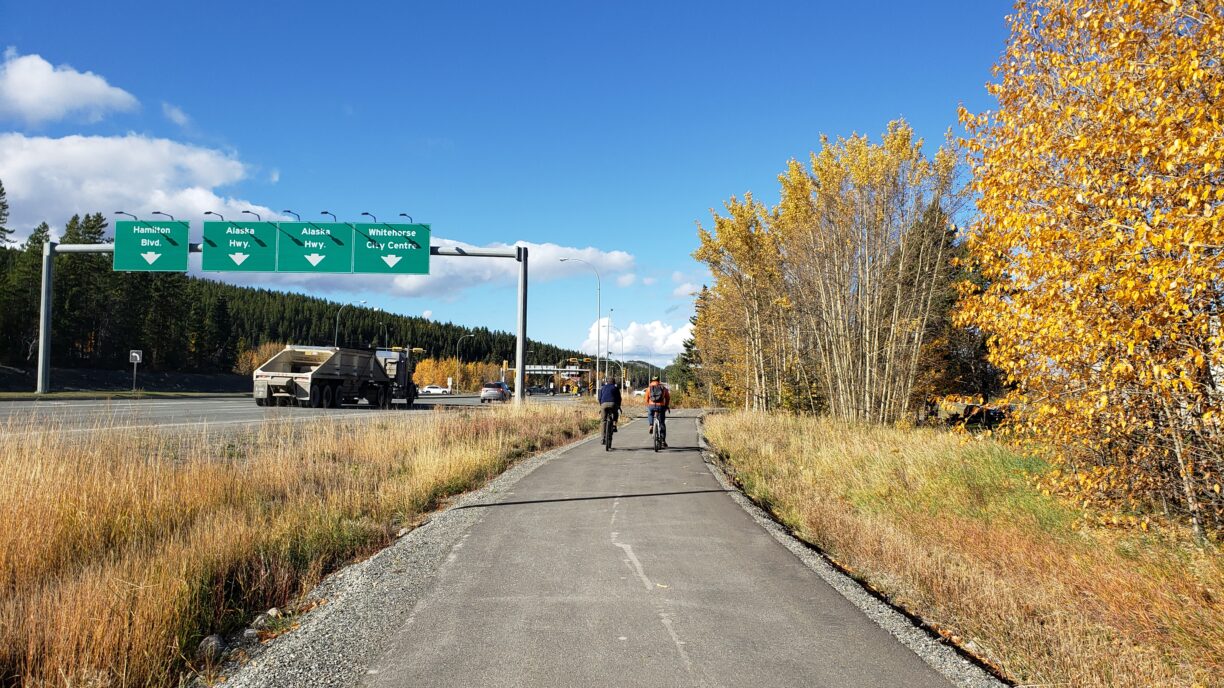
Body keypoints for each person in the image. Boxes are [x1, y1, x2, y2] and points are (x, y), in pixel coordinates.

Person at [644, 375, 670, 447]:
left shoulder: (649, 388)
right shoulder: (663, 388)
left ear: (651, 381)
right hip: (660, 406)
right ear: (659, 380)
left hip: (651, 406)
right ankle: (663, 441)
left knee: (650, 414)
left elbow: (646, 399)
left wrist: (648, 406)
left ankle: (651, 425)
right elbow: (667, 397)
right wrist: (666, 405)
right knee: (662, 423)